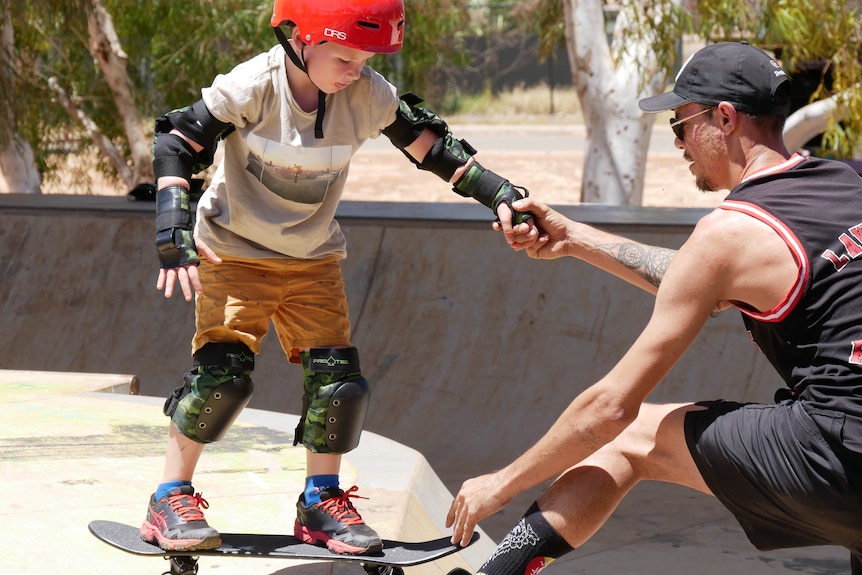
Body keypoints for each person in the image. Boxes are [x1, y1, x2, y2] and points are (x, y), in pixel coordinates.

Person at [446, 40, 862, 574]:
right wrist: (574, 238)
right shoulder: (846, 181)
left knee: (630, 437)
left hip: (836, 455)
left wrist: (500, 483)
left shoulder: (729, 233)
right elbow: (700, 281)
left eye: (681, 123)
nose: (678, 143)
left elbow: (609, 410)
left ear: (726, 118)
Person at [141, 0, 536, 556]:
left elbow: (433, 149)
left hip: (313, 260)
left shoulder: (368, 94)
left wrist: (499, 193)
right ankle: (169, 497)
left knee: (338, 385)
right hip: (234, 254)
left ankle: (321, 503)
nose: (357, 69)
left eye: (366, 57)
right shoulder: (254, 85)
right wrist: (172, 228)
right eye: (345, 56)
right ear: (298, 40)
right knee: (222, 380)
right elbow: (176, 141)